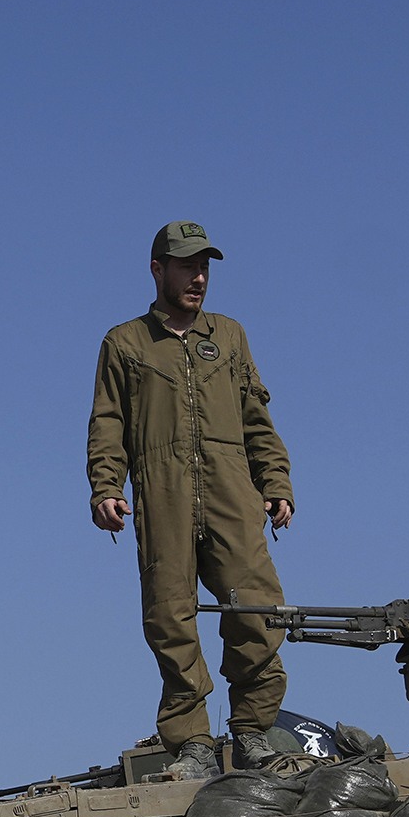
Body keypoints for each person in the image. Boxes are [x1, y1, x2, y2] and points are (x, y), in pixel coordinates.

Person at [88, 221, 297, 781]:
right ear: (158, 269)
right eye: (185, 266)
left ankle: (252, 732)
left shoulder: (228, 336)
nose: (198, 277)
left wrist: (275, 481)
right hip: (163, 497)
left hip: (233, 493)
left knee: (257, 607)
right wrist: (107, 486)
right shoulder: (125, 342)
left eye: (204, 266)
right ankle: (193, 745)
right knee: (170, 616)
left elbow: (257, 416)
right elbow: (108, 424)